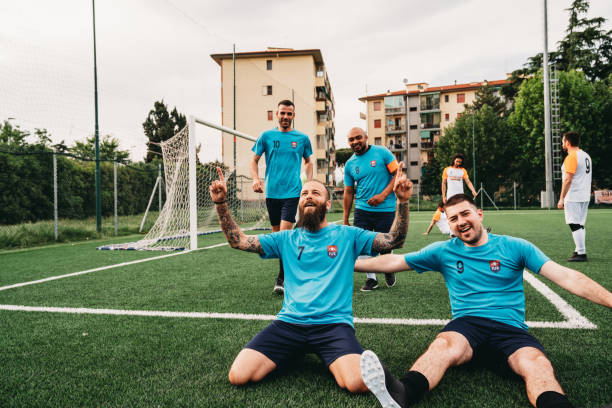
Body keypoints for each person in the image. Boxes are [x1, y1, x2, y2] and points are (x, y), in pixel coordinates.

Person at [355, 194, 612, 408]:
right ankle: (401, 395)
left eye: (465, 214)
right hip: (468, 328)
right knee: (443, 345)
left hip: (510, 329)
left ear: (479, 214)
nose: (460, 222)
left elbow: (567, 276)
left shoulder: (515, 246)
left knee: (536, 363)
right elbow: (393, 261)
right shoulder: (443, 251)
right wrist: (347, 263)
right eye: (453, 218)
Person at [209, 164, 413, 392]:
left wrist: (402, 202)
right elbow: (239, 241)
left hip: (333, 326)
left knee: (357, 383)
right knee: (239, 375)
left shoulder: (347, 235)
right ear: (299, 203)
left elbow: (393, 240)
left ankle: (313, 352)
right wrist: (220, 203)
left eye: (315, 193)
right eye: (304, 194)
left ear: (327, 204)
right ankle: (294, 350)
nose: (308, 197)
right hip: (289, 324)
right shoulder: (286, 238)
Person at [250, 100, 313, 294]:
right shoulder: (266, 136)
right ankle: (294, 266)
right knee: (278, 237)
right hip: (272, 193)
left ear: (294, 116)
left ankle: (282, 278)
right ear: (276, 114)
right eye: (282, 113)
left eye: (289, 114)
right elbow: (254, 159)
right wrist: (255, 179)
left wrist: (308, 183)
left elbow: (309, 161)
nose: (285, 117)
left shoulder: (302, 138)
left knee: (284, 235)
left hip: (292, 192)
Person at [343, 127, 400, 292]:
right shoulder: (349, 164)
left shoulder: (383, 152)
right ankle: (371, 279)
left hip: (386, 208)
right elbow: (348, 191)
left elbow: (398, 174)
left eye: (358, 138)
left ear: (366, 137)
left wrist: (383, 195)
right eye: (351, 139)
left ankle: (388, 269)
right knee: (362, 243)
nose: (355, 142)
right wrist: (346, 217)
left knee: (385, 244)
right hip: (362, 210)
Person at [557, 132, 592, 262]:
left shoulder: (572, 157)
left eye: (563, 141)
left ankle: (581, 253)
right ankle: (579, 250)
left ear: (568, 142)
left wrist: (561, 198)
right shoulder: (586, 155)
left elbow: (568, 179)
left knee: (574, 223)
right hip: (584, 195)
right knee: (579, 224)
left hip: (574, 195)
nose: (562, 144)